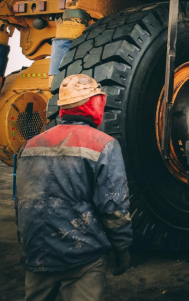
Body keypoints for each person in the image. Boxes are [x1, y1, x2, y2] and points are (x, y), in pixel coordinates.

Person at [15, 74, 132, 301]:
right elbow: (113, 207)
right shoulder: (104, 144)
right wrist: (123, 247)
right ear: (95, 103)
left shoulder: (31, 145)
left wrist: (28, 245)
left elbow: (21, 201)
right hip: (82, 258)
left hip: (36, 253)